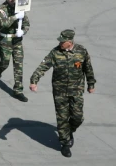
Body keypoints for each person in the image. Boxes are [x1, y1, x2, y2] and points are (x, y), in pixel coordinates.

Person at [30, 30, 96, 158]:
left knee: (78, 117)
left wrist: (91, 84)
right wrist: (34, 81)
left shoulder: (81, 51)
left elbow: (88, 68)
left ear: (69, 42)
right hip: (59, 91)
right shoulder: (55, 53)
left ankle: (69, 130)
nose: (60, 43)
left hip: (76, 90)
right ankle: (65, 143)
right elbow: (42, 67)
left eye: (62, 41)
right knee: (62, 118)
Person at [0, 0, 30, 102]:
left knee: (18, 65)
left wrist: (23, 31)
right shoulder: (1, 9)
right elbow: (2, 24)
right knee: (4, 63)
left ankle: (18, 90)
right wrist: (15, 17)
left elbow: (26, 23)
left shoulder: (20, 7)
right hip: (5, 40)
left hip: (17, 40)